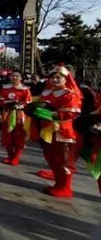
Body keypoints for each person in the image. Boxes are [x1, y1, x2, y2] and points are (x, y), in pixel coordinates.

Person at [33, 64, 82, 198]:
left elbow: (69, 114)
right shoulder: (47, 92)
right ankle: (58, 184)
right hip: (47, 130)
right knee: (51, 158)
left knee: (64, 160)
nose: (55, 80)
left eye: (58, 77)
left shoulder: (70, 94)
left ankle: (65, 187)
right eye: (53, 77)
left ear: (67, 78)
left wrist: (45, 113)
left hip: (64, 132)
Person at [0, 70, 32, 165]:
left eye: (17, 76)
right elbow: (0, 99)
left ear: (21, 78)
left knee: (19, 136)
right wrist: (7, 103)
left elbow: (28, 102)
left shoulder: (25, 89)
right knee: (7, 135)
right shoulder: (5, 88)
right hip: (7, 114)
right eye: (13, 76)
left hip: (20, 115)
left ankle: (16, 157)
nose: (14, 78)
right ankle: (10, 156)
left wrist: (20, 105)